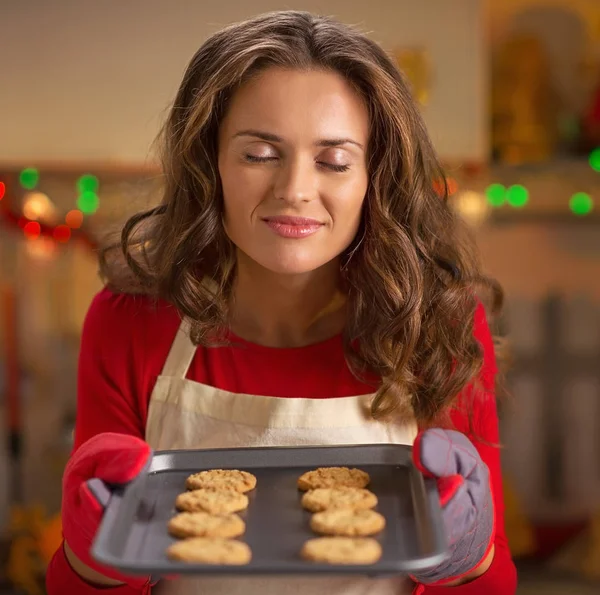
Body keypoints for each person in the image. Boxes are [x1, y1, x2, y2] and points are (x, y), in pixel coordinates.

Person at [46, 10, 517, 595]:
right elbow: (78, 586)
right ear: (209, 163)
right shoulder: (130, 323)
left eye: (334, 161)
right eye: (259, 154)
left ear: (375, 175)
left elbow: (489, 585)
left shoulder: (438, 327)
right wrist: (96, 558)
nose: (294, 189)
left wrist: (466, 556)